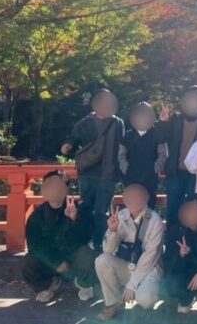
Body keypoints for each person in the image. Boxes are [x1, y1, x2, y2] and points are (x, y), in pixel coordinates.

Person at [60, 89, 125, 252]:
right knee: (85, 209)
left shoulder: (118, 123)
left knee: (102, 212)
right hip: (87, 173)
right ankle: (85, 241)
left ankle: (100, 245)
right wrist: (68, 145)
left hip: (108, 174)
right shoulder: (86, 122)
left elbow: (123, 146)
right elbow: (74, 138)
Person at [22, 170, 97, 303]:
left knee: (88, 254)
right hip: (50, 259)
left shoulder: (79, 208)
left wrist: (73, 220)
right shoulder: (37, 216)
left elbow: (86, 236)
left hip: (72, 256)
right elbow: (35, 246)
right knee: (28, 261)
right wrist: (55, 262)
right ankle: (47, 286)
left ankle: (85, 284)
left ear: (66, 188)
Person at [94, 183, 164, 321]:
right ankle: (114, 303)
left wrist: (132, 285)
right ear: (124, 199)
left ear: (146, 198)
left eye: (138, 197)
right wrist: (113, 230)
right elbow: (108, 250)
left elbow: (150, 255)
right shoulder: (120, 216)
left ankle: (149, 289)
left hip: (149, 268)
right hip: (127, 264)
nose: (133, 200)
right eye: (129, 197)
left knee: (146, 300)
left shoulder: (154, 220)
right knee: (101, 260)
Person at [156, 85, 197, 225]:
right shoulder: (174, 119)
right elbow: (160, 138)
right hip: (175, 172)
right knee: (173, 209)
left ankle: (192, 237)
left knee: (195, 208)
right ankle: (172, 237)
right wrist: (163, 122)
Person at [118, 102, 167, 208]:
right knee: (131, 206)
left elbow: (163, 154)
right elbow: (121, 155)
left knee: (149, 205)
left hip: (150, 178)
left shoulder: (158, 135)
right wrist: (127, 169)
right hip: (131, 177)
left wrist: (155, 168)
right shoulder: (127, 135)